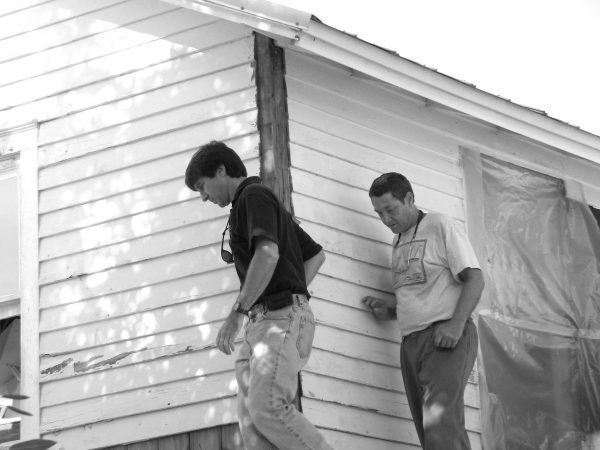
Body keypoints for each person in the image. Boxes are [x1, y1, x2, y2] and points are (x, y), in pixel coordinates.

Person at [185, 141, 332, 450]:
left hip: (276, 319)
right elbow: (315, 256)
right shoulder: (257, 203)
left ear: (221, 171)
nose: (204, 197)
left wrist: (242, 311)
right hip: (265, 321)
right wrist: (294, 294)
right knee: (254, 427)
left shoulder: (253, 196)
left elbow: (267, 254)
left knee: (267, 408)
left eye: (202, 186)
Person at [362, 172, 484, 450]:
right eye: (379, 213)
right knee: (429, 433)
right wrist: (390, 311)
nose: (386, 219)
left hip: (445, 336)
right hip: (411, 343)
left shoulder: (439, 225)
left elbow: (475, 278)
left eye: (390, 210)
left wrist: (456, 325)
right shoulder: (398, 241)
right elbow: (423, 292)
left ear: (409, 198)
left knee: (440, 426)